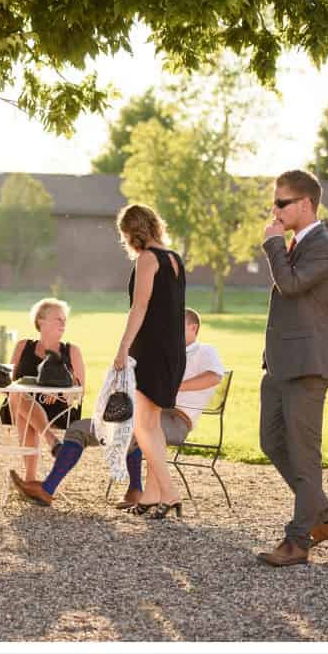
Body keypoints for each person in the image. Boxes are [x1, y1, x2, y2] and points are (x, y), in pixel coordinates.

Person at [254, 168, 328, 568]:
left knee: (304, 457)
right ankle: (323, 517)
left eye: (281, 203)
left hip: (308, 367)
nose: (274, 211)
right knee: (271, 442)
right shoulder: (297, 244)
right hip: (280, 365)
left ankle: (298, 540)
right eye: (274, 203)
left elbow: (290, 286)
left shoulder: (324, 247)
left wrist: (273, 244)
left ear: (306, 204)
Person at [109, 202, 187, 521]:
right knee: (152, 425)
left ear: (131, 232)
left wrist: (122, 347)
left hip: (151, 350)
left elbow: (139, 308)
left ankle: (170, 493)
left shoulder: (147, 259)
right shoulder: (175, 258)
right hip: (174, 351)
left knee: (142, 426)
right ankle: (153, 496)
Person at [119, 306, 227, 507]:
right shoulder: (168, 354)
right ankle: (142, 492)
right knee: (127, 424)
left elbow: (214, 377)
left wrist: (175, 387)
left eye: (177, 325)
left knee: (142, 429)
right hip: (155, 410)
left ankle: (146, 492)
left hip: (178, 419)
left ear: (193, 328)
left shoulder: (205, 351)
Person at [8, 296, 88, 507]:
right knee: (17, 396)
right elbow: (9, 382)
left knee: (25, 412)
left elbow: (81, 389)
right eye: (57, 318)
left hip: (58, 410)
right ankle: (52, 441)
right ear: (40, 321)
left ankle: (30, 480)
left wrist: (59, 391)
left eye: (64, 319)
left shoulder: (72, 351)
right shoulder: (23, 346)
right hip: (20, 404)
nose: (63, 323)